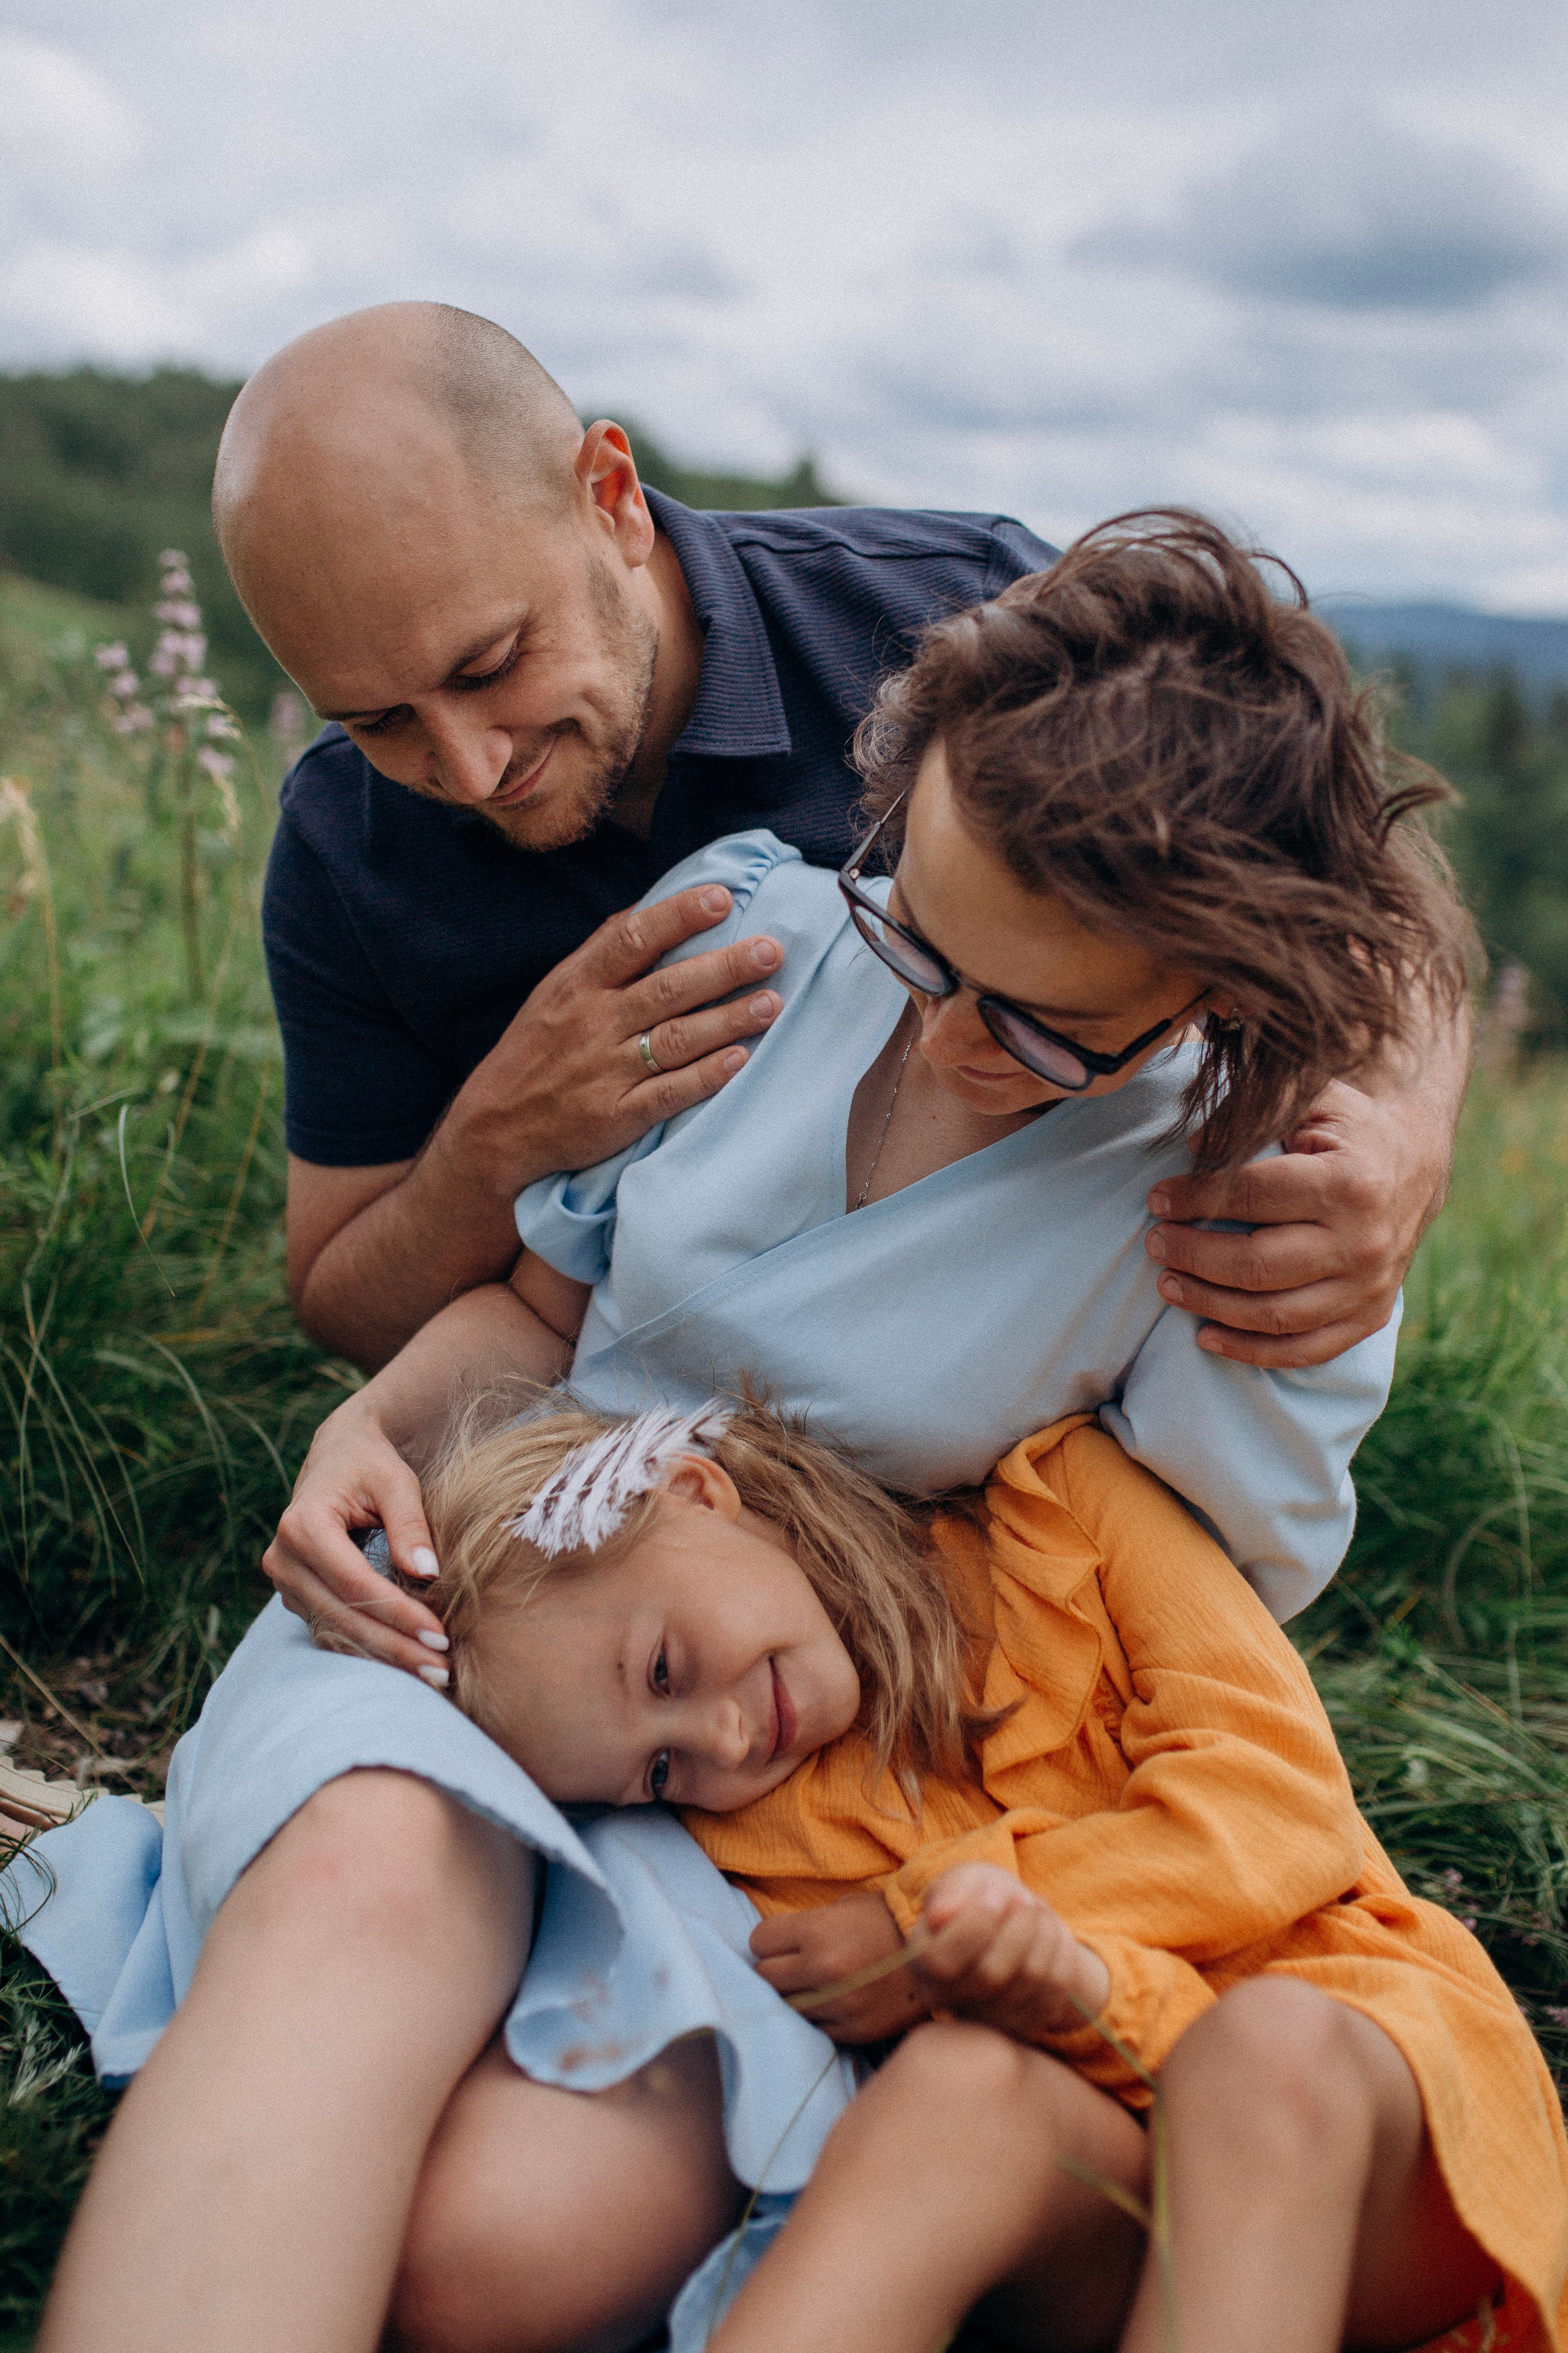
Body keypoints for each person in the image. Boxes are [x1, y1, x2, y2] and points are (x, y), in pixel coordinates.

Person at [20, 517, 1473, 2353]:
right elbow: (540, 1318)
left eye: (1037, 1024)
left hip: (763, 1778)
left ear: (1215, 994)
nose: (940, 1033)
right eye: (916, 929)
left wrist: (972, 1898)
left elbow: (1150, 1659)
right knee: (363, 1869)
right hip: (482, 1575)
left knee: (488, 2258)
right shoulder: (760, 938)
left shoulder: (1234, 1219)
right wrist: (365, 1438)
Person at [214, 303, 1465, 1378]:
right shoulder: (340, 840)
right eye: (379, 722)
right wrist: (498, 1137)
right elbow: (343, 1301)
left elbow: (1365, 893)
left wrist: (1405, 1139)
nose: (470, 768)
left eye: (492, 663)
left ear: (609, 498)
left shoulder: (951, 607)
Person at [374, 1392, 1568, 2353]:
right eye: (658, 1773)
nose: (720, 1743)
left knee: (1264, 2046)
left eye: (666, 1669)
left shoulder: (1064, 1509)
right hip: (1123, 2181)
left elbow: (1277, 1807)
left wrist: (928, 1924)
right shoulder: (757, 1842)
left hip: (1371, 2125)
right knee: (956, 2087)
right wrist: (1020, 1982)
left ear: (697, 1492)